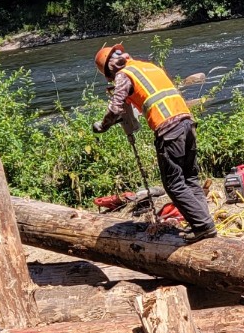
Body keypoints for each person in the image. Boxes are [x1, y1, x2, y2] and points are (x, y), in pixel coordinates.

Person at [89, 43, 217, 240]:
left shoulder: (124, 75)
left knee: (174, 183)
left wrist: (103, 126)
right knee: (190, 178)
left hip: (168, 129)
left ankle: (202, 225)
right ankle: (204, 224)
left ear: (111, 68)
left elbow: (115, 110)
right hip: (187, 123)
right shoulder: (148, 67)